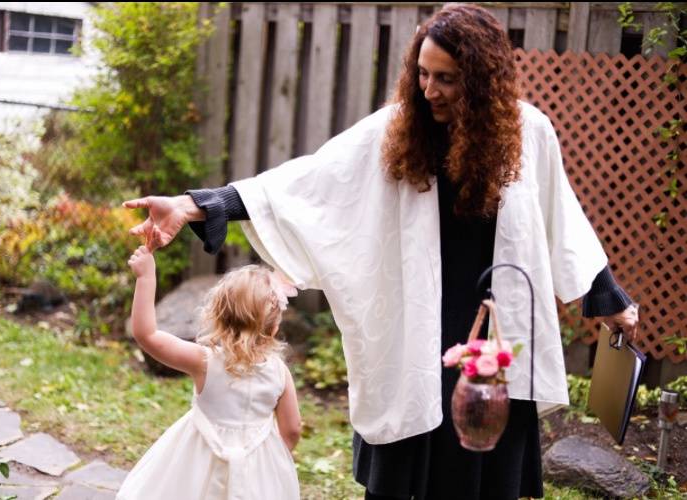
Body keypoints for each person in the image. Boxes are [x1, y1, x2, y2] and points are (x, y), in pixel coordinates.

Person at [124, 4, 639, 499]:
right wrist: (195, 206)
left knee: (480, 468)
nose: (429, 89)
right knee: (407, 455)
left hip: (490, 340)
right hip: (414, 333)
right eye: (423, 73)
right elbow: (301, 184)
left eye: (447, 78)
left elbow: (562, 222)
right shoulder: (396, 130)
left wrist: (609, 299)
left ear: (482, 81)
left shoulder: (531, 134)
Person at [117, 251, 302, 500]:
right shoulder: (280, 373)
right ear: (275, 324)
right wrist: (270, 460)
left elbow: (147, 335)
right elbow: (292, 430)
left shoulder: (204, 361)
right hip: (257, 465)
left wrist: (146, 277)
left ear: (218, 312)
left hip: (197, 459)